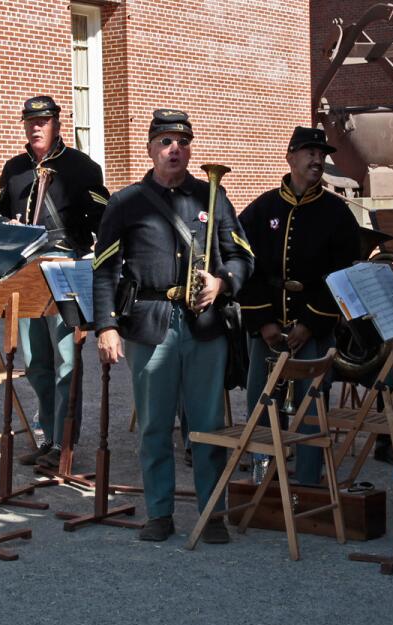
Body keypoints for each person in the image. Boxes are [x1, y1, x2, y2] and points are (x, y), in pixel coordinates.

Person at [93, 109, 254, 543]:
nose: (175, 149)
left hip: (203, 324)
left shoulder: (213, 196)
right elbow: (104, 270)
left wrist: (223, 282)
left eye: (182, 142)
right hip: (150, 324)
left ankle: (213, 512)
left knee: (207, 426)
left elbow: (242, 256)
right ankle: (159, 512)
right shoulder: (125, 202)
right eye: (165, 141)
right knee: (154, 426)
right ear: (149, 148)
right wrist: (106, 326)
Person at [0, 96, 109, 469]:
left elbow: (103, 221)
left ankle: (64, 442)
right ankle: (47, 435)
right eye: (30, 121)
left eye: (43, 120)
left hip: (66, 268)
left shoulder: (82, 168)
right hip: (26, 272)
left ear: (57, 123)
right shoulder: (14, 168)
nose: (36, 127)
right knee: (36, 361)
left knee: (66, 361)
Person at [238, 126, 359, 485]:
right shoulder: (263, 208)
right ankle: (262, 478)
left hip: (313, 330)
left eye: (322, 155)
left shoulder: (337, 213)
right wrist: (264, 322)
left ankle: (307, 483)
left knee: (311, 407)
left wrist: (310, 322)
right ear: (290, 156)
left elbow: (343, 273)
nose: (318, 160)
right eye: (310, 152)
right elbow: (244, 265)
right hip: (268, 329)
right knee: (262, 404)